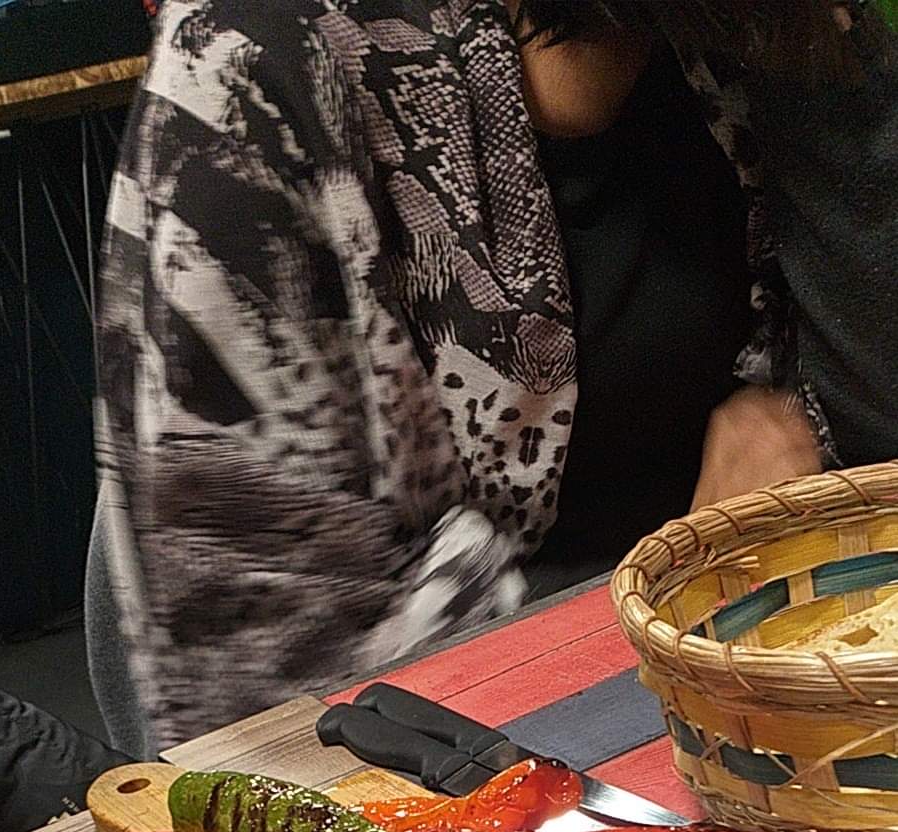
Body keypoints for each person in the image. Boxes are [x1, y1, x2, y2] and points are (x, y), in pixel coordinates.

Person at [94, 0, 897, 753]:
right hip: (458, 745)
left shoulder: (740, 32)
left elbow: (874, 425)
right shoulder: (252, 49)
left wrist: (821, 67)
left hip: (757, 674)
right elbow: (273, 687)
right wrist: (670, 594)